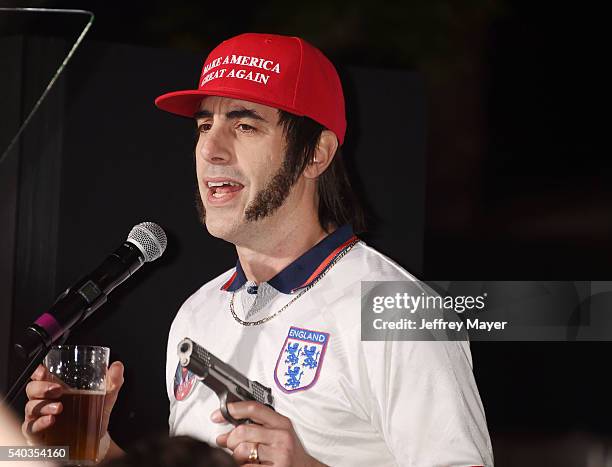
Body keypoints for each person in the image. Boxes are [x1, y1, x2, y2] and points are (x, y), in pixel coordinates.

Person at [22, 33, 494, 466]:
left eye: (245, 126)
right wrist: (100, 452)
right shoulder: (198, 313)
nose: (211, 149)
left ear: (317, 154)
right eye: (205, 125)